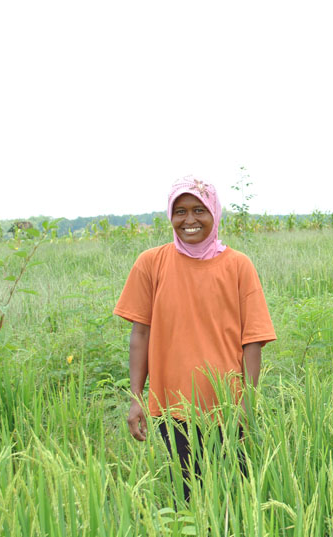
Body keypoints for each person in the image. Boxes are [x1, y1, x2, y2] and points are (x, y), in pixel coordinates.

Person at [114, 176, 276, 500]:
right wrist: (137, 397)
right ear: (170, 216)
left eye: (199, 210)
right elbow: (140, 333)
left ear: (214, 213)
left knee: (232, 495)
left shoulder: (239, 266)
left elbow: (253, 341)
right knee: (188, 496)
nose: (189, 220)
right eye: (181, 211)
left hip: (227, 409)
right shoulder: (151, 264)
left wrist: (247, 402)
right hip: (171, 409)